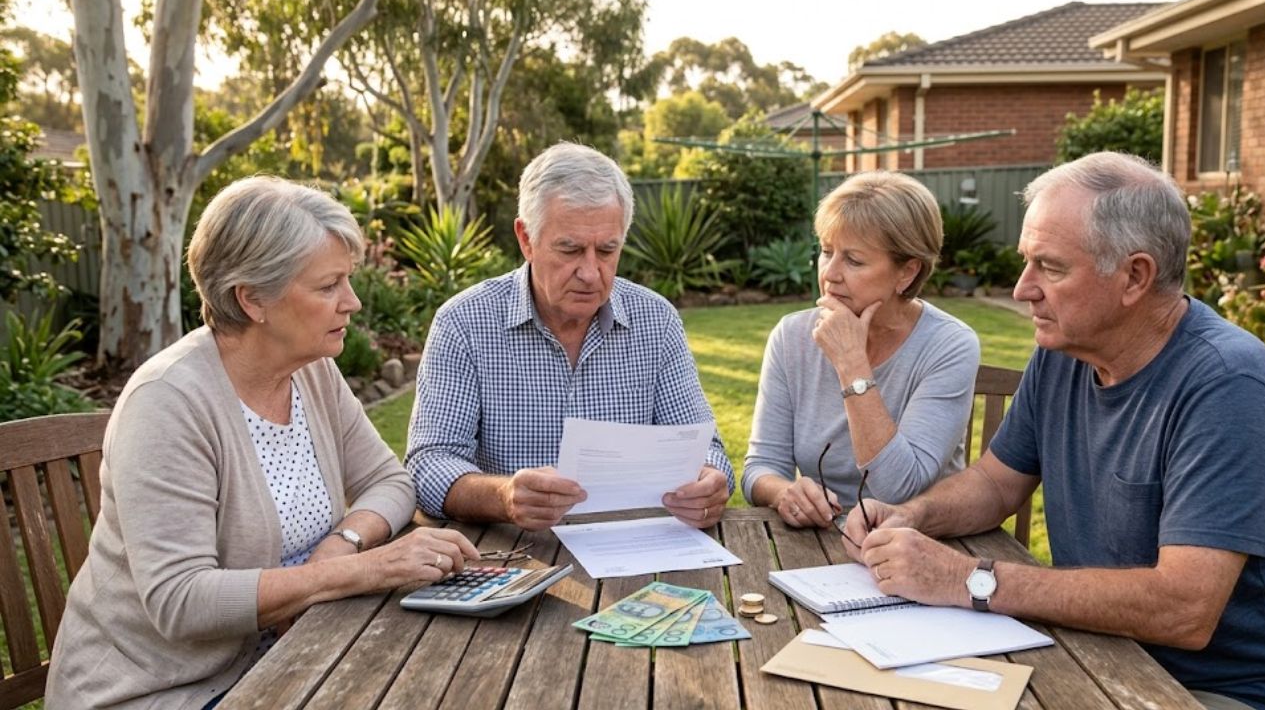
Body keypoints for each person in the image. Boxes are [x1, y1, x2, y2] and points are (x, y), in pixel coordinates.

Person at [843, 153, 1265, 710]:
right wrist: (914, 515)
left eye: (1049, 267)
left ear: (1135, 276)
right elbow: (997, 484)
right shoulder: (1065, 354)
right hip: (1093, 651)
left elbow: (1185, 608)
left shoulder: (1227, 383)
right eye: (1027, 263)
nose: (1023, 289)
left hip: (1213, 689)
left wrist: (968, 579)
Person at [46, 177, 479, 709]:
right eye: (328, 286)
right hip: (160, 690)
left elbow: (388, 481)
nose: (353, 302)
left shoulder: (311, 370)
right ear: (252, 299)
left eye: (347, 280)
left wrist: (343, 544)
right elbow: (180, 600)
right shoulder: (168, 404)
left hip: (294, 652)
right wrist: (358, 572)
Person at [406, 142, 733, 531]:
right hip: (514, 557)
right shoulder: (464, 323)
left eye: (607, 250)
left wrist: (711, 480)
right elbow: (428, 464)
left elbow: (704, 445)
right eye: (571, 249)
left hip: (635, 549)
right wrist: (505, 496)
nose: (591, 272)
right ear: (526, 239)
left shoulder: (656, 320)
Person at [743, 172, 979, 528]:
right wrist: (782, 492)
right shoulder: (791, 336)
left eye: (853, 260)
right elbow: (760, 466)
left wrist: (852, 364)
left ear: (907, 272)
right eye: (826, 252)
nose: (830, 274)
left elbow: (897, 489)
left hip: (917, 544)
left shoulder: (949, 346)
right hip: (818, 544)